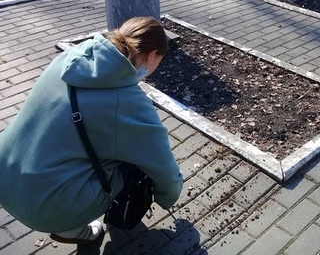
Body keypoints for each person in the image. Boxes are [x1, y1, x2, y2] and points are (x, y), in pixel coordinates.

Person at [0, 16, 183, 245]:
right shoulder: (129, 103)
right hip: (43, 207)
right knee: (133, 169)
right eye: (159, 62)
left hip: (5, 174)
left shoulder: (69, 59)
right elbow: (162, 165)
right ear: (151, 56)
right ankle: (71, 228)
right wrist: (167, 196)